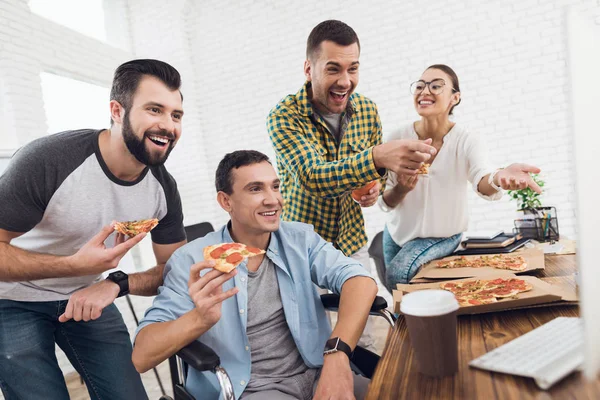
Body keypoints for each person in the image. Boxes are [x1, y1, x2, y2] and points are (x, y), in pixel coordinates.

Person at [0, 59, 188, 399]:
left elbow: (175, 270)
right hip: (11, 300)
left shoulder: (163, 188)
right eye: (154, 110)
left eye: (176, 115)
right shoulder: (49, 161)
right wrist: (73, 266)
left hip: (87, 296)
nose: (168, 125)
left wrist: (115, 285)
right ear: (117, 110)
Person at [133, 150, 378, 400]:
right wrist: (199, 319)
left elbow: (360, 281)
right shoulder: (191, 261)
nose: (273, 200)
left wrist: (337, 354)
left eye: (275, 187)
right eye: (255, 189)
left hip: (319, 371)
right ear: (226, 201)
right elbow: (141, 355)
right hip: (255, 389)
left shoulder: (300, 239)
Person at [267, 19, 437, 350]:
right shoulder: (284, 116)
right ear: (308, 69)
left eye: (353, 69)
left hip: (351, 243)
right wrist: (375, 157)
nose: (345, 81)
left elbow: (377, 176)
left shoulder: (368, 111)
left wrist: (377, 184)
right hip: (301, 251)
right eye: (333, 69)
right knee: (317, 347)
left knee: (371, 337)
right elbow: (313, 176)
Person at [378, 64, 542, 291]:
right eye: (420, 86)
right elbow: (385, 201)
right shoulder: (397, 137)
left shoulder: (466, 140)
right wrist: (402, 189)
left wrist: (498, 177)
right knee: (397, 296)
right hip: (395, 234)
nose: (425, 92)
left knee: (398, 275)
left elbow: (481, 179)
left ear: (455, 98)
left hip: (441, 236)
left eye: (436, 86)